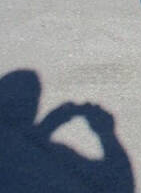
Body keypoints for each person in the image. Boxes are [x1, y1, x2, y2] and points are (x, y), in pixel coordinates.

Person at [0, 69, 134, 193]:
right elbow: (119, 185)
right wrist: (107, 135)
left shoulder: (42, 152)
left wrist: (44, 130)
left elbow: (19, 150)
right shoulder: (53, 157)